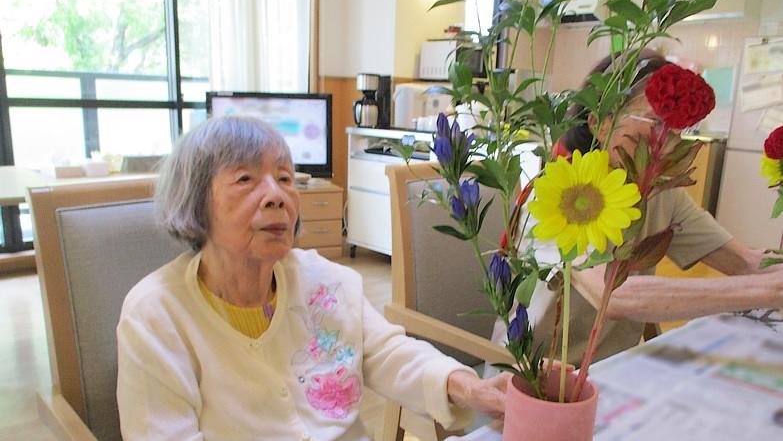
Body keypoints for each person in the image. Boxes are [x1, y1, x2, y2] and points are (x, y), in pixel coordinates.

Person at [116, 116, 510, 440]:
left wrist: (470, 388)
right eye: (245, 180)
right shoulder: (156, 315)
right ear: (195, 199)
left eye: (285, 178)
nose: (276, 196)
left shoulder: (324, 280)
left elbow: (388, 352)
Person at [499, 51, 783, 366]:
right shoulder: (554, 197)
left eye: (675, 129)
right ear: (600, 123)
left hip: (612, 374)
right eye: (655, 123)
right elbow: (613, 294)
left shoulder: (661, 196)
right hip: (531, 381)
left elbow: (744, 262)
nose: (667, 141)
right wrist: (765, 291)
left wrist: (771, 276)